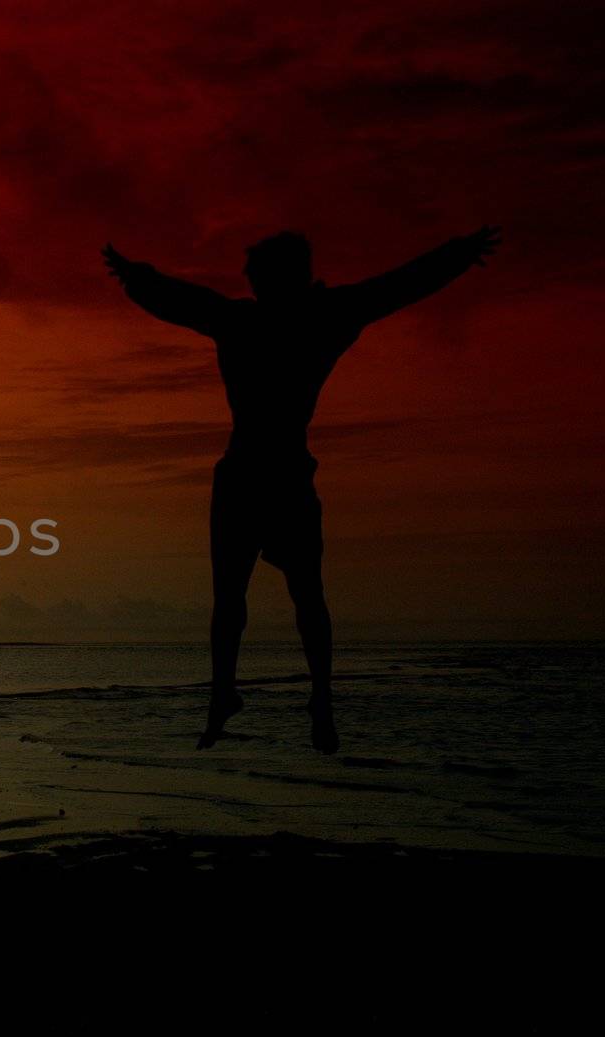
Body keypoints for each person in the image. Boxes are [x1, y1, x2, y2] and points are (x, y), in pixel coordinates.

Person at [104, 225, 501, 753]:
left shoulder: (261, 320)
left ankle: (251, 693)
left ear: (274, 275)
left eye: (254, 273)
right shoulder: (318, 317)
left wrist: (137, 277)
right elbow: (398, 285)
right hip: (279, 471)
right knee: (295, 594)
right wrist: (137, 276)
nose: (246, 279)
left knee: (246, 596)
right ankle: (293, 695)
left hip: (253, 472)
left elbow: (182, 300)